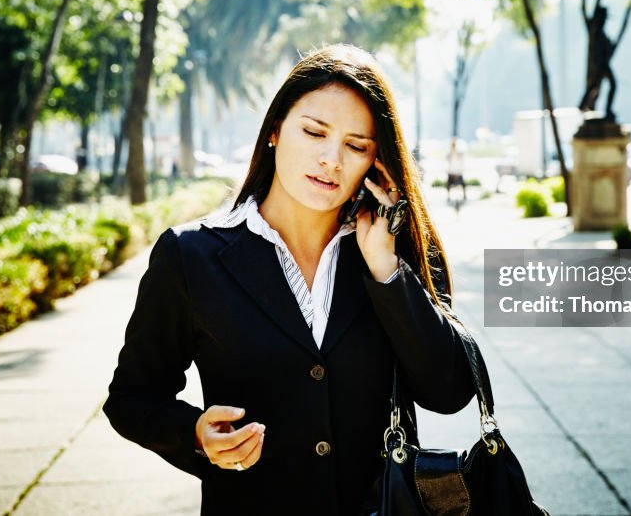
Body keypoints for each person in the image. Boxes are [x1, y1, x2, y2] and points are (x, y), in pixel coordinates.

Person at [103, 44, 475, 515]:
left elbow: (449, 393)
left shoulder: (387, 253)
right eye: (314, 132)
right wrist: (196, 434)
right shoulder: (192, 255)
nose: (332, 159)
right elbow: (132, 398)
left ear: (375, 162)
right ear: (276, 129)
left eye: (356, 146)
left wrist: (385, 269)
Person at [445, 137, 466, 203]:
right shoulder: (449, 154)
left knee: (463, 184)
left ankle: (464, 196)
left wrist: (458, 173)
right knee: (448, 184)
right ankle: (448, 197)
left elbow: (461, 164)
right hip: (451, 174)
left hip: (458, 173)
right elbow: (447, 165)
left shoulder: (459, 153)